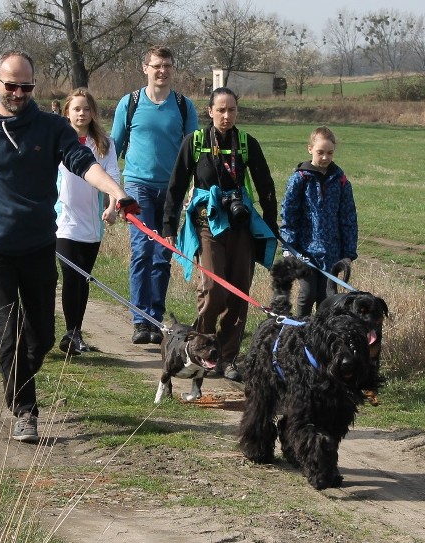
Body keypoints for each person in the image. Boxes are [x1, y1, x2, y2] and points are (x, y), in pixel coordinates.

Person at [0, 50, 137, 443]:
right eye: (11, 85)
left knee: (44, 335)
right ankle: (25, 409)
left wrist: (116, 192)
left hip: (37, 243)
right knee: (9, 329)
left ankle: (16, 379)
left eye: (26, 86)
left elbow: (84, 162)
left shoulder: (51, 127)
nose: (18, 93)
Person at [162, 87, 279, 382]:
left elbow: (265, 185)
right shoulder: (196, 142)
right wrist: (168, 226)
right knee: (215, 292)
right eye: (221, 110)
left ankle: (225, 358)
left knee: (239, 292)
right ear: (210, 111)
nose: (227, 116)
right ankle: (199, 348)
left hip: (241, 227)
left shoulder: (246, 143)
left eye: (232, 110)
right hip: (207, 224)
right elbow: (176, 187)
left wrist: (271, 222)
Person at [111, 45, 199, 346]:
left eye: (168, 66)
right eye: (157, 65)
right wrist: (113, 192)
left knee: (162, 255)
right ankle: (140, 320)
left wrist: (190, 188)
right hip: (138, 186)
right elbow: (114, 147)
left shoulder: (185, 106)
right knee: (142, 251)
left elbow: (194, 153)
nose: (162, 71)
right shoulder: (130, 103)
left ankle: (155, 319)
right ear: (145, 68)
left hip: (171, 191)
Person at [55, 88, 121, 356]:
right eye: (76, 109)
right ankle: (70, 334)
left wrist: (113, 206)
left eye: (86, 109)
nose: (81, 113)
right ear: (67, 112)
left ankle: (77, 331)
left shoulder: (103, 143)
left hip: (91, 225)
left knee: (83, 280)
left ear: (93, 112)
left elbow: (113, 175)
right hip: (63, 223)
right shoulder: (58, 141)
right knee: (71, 278)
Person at [280, 126, 358, 317]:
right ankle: (300, 330)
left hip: (332, 252)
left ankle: (321, 337)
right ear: (310, 149)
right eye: (320, 152)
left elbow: (348, 217)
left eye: (329, 153)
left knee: (327, 298)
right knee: (307, 294)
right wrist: (289, 247)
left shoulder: (341, 181)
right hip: (305, 252)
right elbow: (289, 214)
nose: (325, 157)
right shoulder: (299, 179)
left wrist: (348, 253)